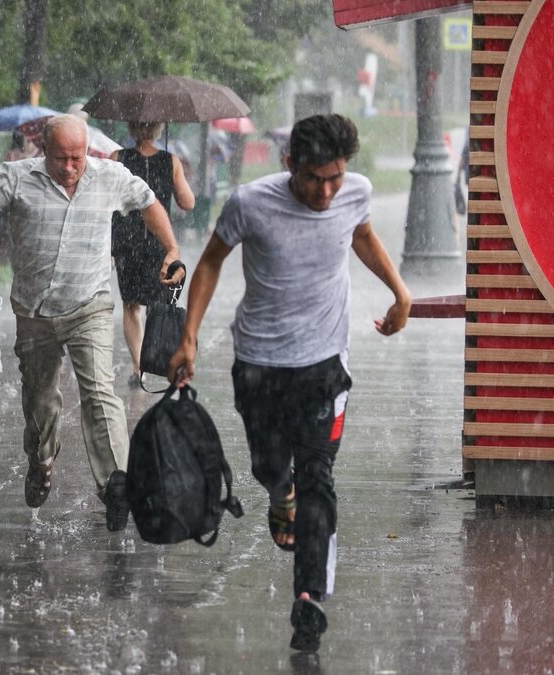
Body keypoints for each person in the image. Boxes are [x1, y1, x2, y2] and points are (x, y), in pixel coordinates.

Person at [167, 114, 412, 652]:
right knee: (270, 467)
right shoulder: (249, 203)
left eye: (336, 178)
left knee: (320, 477)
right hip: (259, 362)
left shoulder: (356, 194)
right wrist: (188, 336)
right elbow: (209, 264)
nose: (326, 192)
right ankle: (281, 494)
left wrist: (400, 291)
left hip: (325, 364)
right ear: (289, 166)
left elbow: (363, 235)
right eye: (313, 179)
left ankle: (308, 599)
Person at [0, 114, 184, 531]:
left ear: (86, 152)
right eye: (61, 159)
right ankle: (40, 461)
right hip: (33, 310)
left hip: (89, 305)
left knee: (99, 391)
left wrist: (170, 249)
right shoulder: (15, 178)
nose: (71, 167)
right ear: (45, 151)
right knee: (41, 401)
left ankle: (116, 482)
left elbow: (149, 202)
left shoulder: (110, 175)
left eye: (77, 158)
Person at [110, 121, 196, 386]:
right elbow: (188, 202)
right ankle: (153, 357)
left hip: (126, 241)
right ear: (160, 130)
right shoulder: (170, 161)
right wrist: (172, 174)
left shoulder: (118, 158)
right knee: (157, 306)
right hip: (160, 243)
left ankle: (138, 367)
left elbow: (108, 198)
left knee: (131, 305)